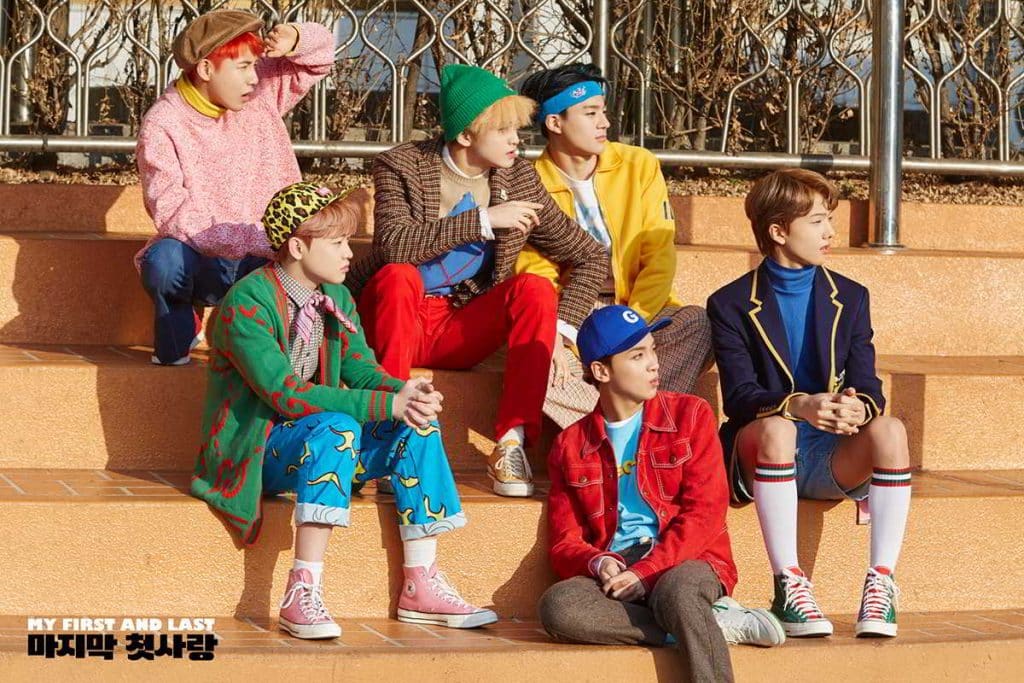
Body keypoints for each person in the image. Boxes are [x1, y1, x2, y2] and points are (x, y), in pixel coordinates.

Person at [191, 182, 497, 640]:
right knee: (336, 428)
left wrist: (406, 392)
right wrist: (385, 404)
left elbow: (362, 370)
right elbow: (285, 395)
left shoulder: (337, 295)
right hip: (257, 449)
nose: (349, 253)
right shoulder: (246, 302)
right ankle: (302, 590)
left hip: (321, 442)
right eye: (337, 243)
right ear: (298, 247)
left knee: (416, 426)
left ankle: (421, 583)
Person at [348, 64, 608, 497]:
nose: (516, 140)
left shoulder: (517, 178)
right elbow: (393, 245)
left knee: (534, 288)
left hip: (460, 325)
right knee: (398, 276)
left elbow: (589, 255)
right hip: (393, 319)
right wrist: (483, 220)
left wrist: (561, 331)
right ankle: (389, 435)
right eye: (503, 130)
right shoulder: (402, 164)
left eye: (517, 128)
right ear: (467, 135)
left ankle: (511, 444)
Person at [707, 169, 911, 638]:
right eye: (817, 221)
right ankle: (788, 584)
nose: (830, 232)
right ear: (779, 232)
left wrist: (858, 407)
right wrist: (799, 405)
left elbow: (869, 385)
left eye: (829, 220)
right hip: (763, 449)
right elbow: (739, 398)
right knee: (779, 429)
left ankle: (881, 583)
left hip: (831, 455)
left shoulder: (852, 297)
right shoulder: (730, 303)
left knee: (890, 429)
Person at [539, 305, 784, 683]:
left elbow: (705, 513)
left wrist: (648, 570)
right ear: (601, 371)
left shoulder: (690, 415)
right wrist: (598, 563)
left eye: (652, 350)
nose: (654, 364)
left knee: (677, 593)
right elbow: (564, 541)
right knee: (559, 607)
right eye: (637, 356)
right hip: (619, 565)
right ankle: (706, 624)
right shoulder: (570, 445)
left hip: (689, 558)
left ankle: (690, 619)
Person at [516, 63, 713, 428]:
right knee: (538, 361)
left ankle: (625, 428)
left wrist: (632, 326)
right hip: (575, 312)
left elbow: (659, 253)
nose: (604, 123)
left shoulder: (638, 164)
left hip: (637, 305)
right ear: (555, 122)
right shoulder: (531, 182)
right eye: (591, 113)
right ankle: (635, 428)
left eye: (603, 111)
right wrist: (561, 331)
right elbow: (535, 269)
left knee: (698, 324)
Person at [136, 9, 333, 365]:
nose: (253, 78)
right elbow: (171, 211)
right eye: (242, 67)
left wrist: (294, 37)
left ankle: (279, 346)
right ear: (206, 69)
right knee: (164, 261)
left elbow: (320, 58)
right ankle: (179, 329)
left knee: (320, 249)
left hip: (266, 254)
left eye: (254, 66)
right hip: (206, 258)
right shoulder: (163, 124)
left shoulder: (260, 95)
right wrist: (251, 237)